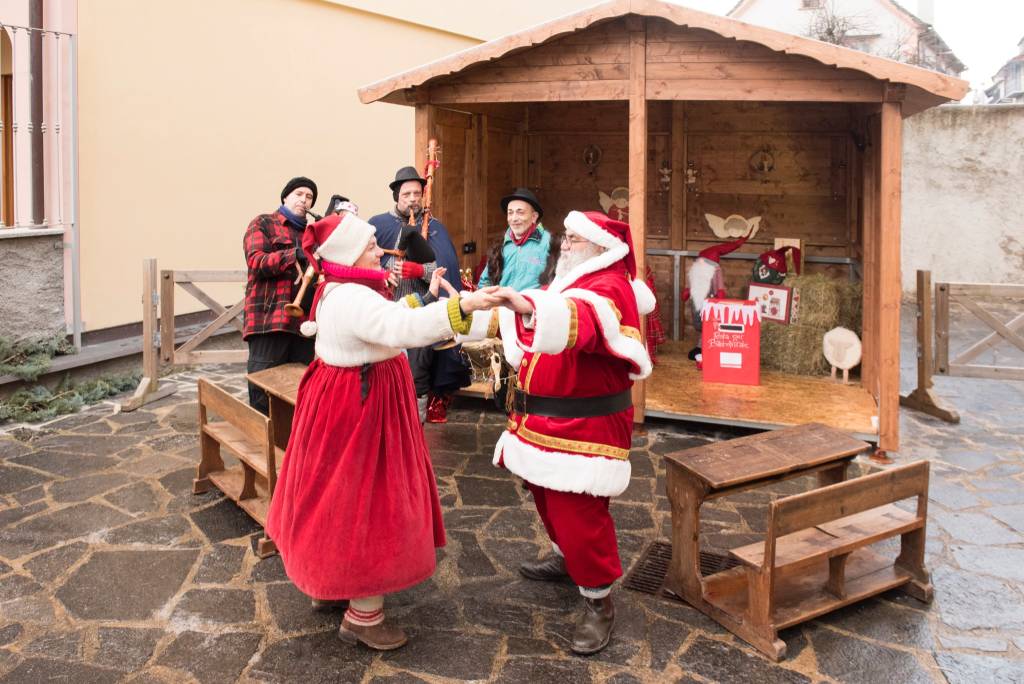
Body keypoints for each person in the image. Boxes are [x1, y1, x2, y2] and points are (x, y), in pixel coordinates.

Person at [265, 210, 500, 651]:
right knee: (367, 503)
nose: (380, 250)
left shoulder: (341, 290)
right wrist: (460, 306)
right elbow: (397, 329)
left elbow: (381, 322)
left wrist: (422, 298)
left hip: (342, 400)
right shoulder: (354, 297)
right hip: (363, 406)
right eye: (371, 245)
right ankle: (364, 616)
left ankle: (330, 582)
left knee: (332, 496)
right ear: (351, 254)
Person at [480, 210, 656, 655]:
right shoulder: (572, 281)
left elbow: (587, 320)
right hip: (546, 419)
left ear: (601, 247)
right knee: (544, 495)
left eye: (575, 239)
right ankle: (565, 557)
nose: (566, 245)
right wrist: (503, 303)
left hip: (585, 427)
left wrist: (529, 304)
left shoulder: (610, 286)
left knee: (580, 513)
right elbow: (547, 304)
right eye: (567, 237)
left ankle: (599, 601)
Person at [369, 166, 468, 423]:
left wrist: (420, 270)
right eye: (406, 194)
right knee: (383, 372)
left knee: (417, 374)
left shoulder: (435, 227)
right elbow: (363, 262)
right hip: (387, 309)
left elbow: (444, 269)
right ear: (397, 197)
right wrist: (384, 274)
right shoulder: (378, 225)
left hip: (421, 311)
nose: (413, 199)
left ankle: (414, 426)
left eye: (417, 193)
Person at [243, 176, 318, 414]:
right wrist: (293, 255)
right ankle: (261, 447)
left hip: (304, 325)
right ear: (285, 196)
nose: (304, 200)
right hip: (269, 322)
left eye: (309, 197)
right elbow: (256, 261)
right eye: (299, 194)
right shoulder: (263, 222)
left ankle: (292, 447)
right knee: (262, 392)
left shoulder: (313, 233)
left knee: (301, 392)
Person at [477, 188, 559, 291]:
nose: (514, 218)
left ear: (534, 217)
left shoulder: (551, 244)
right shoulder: (500, 245)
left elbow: (561, 283)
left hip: (533, 306)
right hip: (501, 305)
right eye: (510, 213)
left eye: (520, 212)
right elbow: (485, 281)